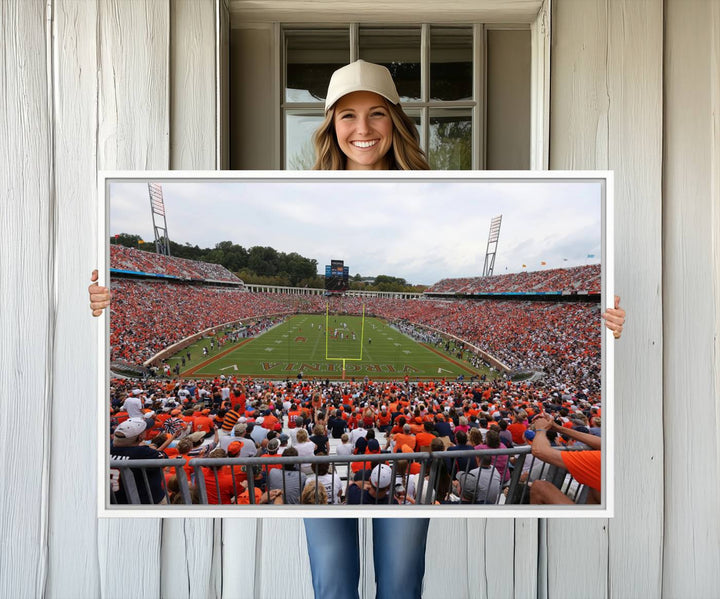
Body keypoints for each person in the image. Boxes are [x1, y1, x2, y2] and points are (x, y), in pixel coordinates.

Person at [89, 59, 627, 599]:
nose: (362, 129)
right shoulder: (302, 184)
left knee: (399, 582)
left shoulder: (436, 186)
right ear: (330, 126)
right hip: (383, 478)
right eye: (347, 115)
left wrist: (612, 327)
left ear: (396, 120)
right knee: (332, 583)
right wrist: (98, 308)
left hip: (365, 482)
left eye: (376, 114)